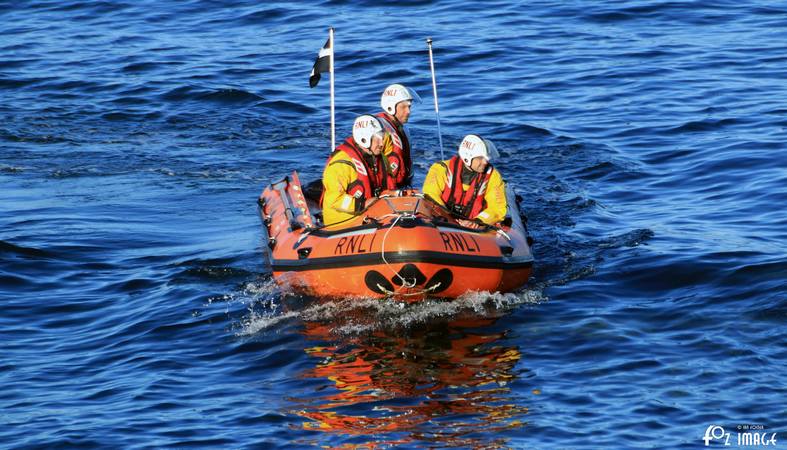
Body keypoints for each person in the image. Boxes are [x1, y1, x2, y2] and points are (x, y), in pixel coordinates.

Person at [422, 135, 507, 229]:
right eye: (480, 158)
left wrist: (477, 222)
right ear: (467, 158)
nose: (485, 162)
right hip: (444, 220)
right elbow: (430, 195)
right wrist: (449, 218)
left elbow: (497, 208)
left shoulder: (493, 177)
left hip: (475, 227)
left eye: (486, 158)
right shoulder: (441, 169)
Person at [321, 115, 389, 225]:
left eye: (382, 138)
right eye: (378, 138)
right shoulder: (341, 164)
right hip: (341, 223)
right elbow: (335, 199)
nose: (382, 143)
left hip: (367, 215)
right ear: (364, 138)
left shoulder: (376, 158)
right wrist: (362, 204)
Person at [377, 83, 420, 189]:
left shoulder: (403, 129)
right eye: (404, 107)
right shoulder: (378, 130)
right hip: (386, 188)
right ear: (391, 107)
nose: (408, 111)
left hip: (403, 185)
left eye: (409, 107)